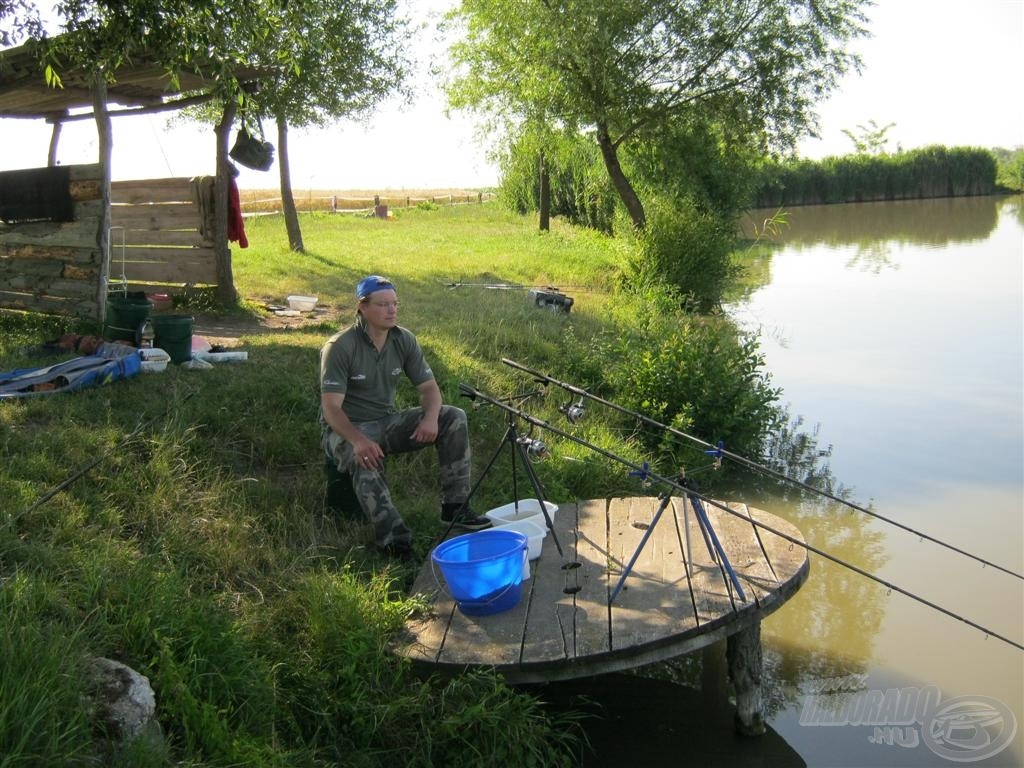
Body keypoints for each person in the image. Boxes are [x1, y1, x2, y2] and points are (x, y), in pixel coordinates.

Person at [319, 275, 491, 560]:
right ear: (362, 306)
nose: (391, 310)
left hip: (386, 422)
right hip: (345, 430)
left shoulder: (403, 339)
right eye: (383, 304)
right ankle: (395, 541)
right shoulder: (340, 346)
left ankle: (455, 508)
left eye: (395, 304)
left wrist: (431, 418)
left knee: (454, 416)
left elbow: (429, 390)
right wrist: (359, 440)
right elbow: (331, 409)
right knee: (365, 455)